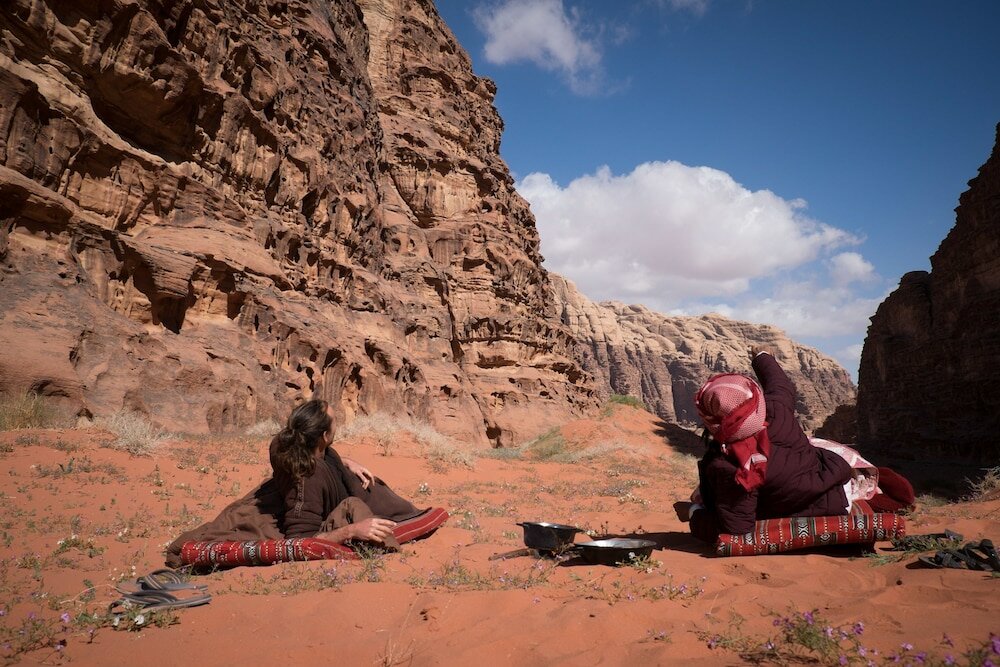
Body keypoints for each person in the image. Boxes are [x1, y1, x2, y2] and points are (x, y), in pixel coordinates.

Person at [685, 347, 914, 542]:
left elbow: (737, 527)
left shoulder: (725, 465)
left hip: (791, 508)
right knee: (817, 445)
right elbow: (780, 385)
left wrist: (696, 514)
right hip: (836, 498)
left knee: (703, 497)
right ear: (755, 400)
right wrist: (762, 356)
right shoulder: (777, 411)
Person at [270, 399, 415, 544]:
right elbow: (300, 540)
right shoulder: (308, 478)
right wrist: (352, 531)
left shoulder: (286, 443)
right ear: (325, 436)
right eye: (335, 421)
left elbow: (320, 452)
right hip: (373, 510)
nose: (337, 424)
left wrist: (344, 462)